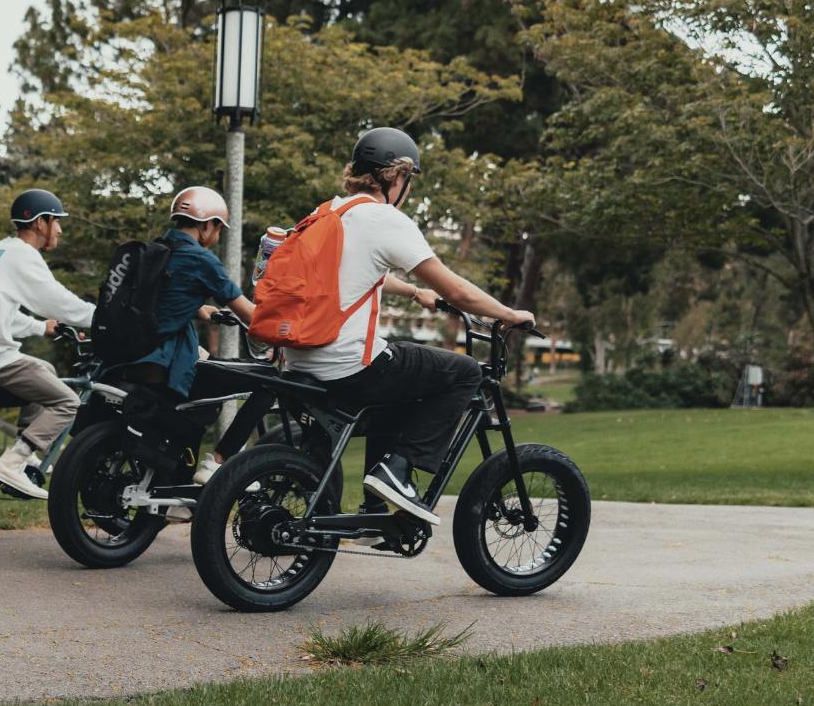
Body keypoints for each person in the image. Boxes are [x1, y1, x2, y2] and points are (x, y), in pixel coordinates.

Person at [282, 127, 533, 525]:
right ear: (396, 176)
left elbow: (359, 274)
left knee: (399, 372)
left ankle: (373, 511)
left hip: (299, 360)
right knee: (463, 371)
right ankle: (398, 471)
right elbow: (457, 290)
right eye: (409, 179)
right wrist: (508, 314)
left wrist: (414, 293)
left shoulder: (329, 212)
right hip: (347, 365)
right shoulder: (384, 219)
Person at [102, 187, 257, 486]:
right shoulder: (201, 260)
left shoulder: (155, 252)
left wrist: (198, 309)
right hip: (168, 363)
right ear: (205, 224)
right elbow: (248, 313)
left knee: (208, 389)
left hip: (129, 356)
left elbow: (157, 300)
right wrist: (285, 328)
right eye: (218, 228)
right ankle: (219, 462)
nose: (217, 235)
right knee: (263, 383)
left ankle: (179, 480)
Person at [0, 188, 97, 500]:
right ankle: (13, 463)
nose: (59, 229)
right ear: (39, 222)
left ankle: (26, 455)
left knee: (42, 370)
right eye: (56, 221)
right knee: (68, 402)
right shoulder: (23, 255)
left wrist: (40, 327)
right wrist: (102, 318)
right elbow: (58, 302)